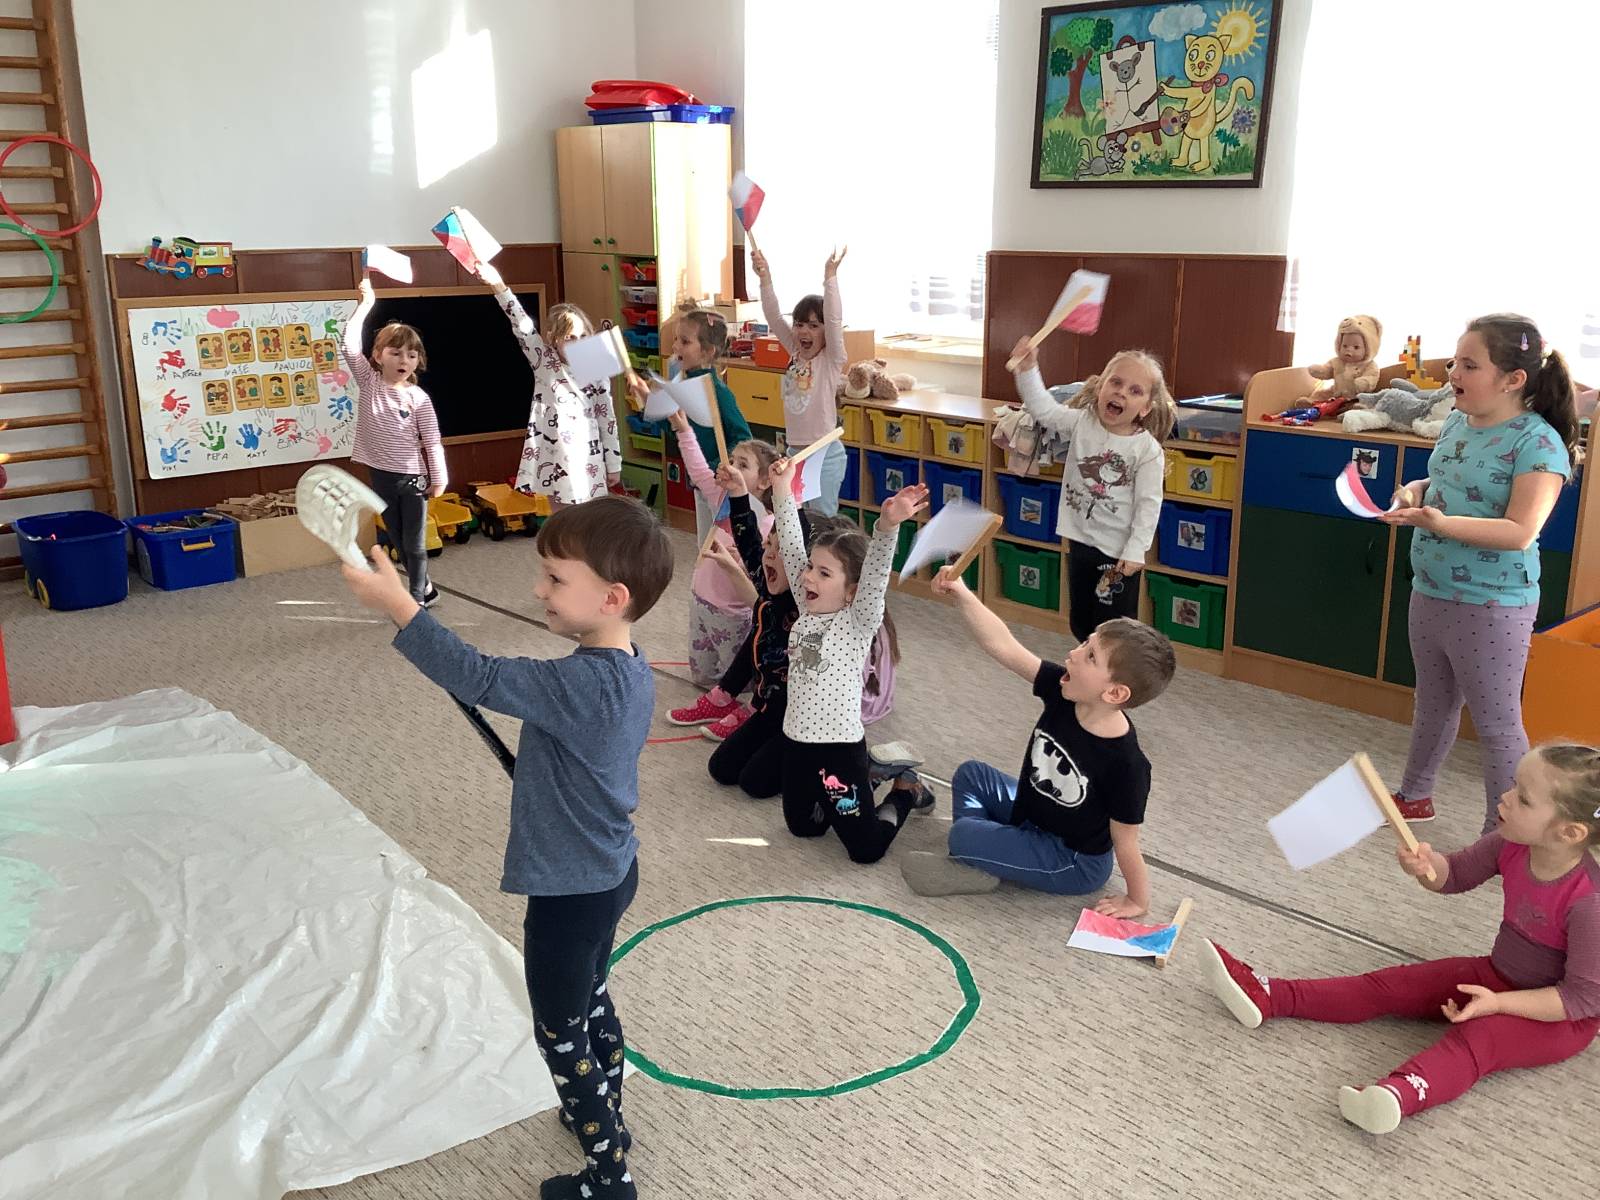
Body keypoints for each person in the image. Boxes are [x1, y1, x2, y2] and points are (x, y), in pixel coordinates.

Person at [339, 496, 673, 1200]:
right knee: (591, 996)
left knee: (560, 1033)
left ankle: (609, 1176)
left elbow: (481, 676)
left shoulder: (576, 682)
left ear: (612, 597)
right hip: (612, 871)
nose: (538, 589)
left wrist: (400, 606)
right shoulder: (628, 664)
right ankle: (604, 1115)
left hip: (568, 893)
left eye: (555, 579)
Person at [1202, 743, 1600, 1134]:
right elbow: (1454, 874)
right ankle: (1271, 995)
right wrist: (1426, 866)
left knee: (1480, 1038)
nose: (1505, 797)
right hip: (1497, 974)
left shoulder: (1590, 903)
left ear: (1569, 832)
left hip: (1560, 1019)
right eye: (1513, 784)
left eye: (1523, 798)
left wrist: (1498, 1004)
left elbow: (1578, 1000)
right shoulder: (1509, 843)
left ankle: (1400, 1094)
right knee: (1393, 985)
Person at [1381, 314, 1579, 829]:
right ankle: (1415, 795)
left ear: (1514, 379)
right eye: (1455, 361)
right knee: (1433, 704)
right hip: (1431, 589)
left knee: (1496, 723)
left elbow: (1520, 531)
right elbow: (1446, 479)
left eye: (1469, 365)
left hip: (1492, 604)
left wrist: (1439, 523)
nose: (1453, 373)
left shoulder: (1538, 445)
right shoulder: (1456, 421)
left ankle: (1505, 833)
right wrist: (1415, 491)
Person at [900, 567, 1175, 904]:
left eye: (1090, 656)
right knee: (971, 775)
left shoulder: (1127, 765)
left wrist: (1137, 900)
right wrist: (963, 594)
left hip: (1071, 860)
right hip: (1032, 815)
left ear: (1115, 693)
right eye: (1085, 643)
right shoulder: (1064, 690)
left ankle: (975, 854)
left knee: (962, 835)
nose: (1073, 653)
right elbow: (1003, 646)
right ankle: (984, 856)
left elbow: (1127, 840)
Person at [765, 455, 926, 862]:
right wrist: (782, 488)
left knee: (866, 850)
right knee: (805, 827)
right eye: (810, 568)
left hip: (838, 748)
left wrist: (887, 527)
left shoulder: (858, 621)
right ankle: (871, 775)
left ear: (852, 590)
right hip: (796, 743)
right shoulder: (807, 606)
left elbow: (876, 573)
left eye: (824, 573)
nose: (807, 577)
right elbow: (791, 542)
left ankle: (905, 789)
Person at [1010, 338, 1176, 642]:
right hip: (1081, 542)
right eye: (1116, 382)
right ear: (1100, 388)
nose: (1121, 392)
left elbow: (1148, 505)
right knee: (1081, 623)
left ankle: (1111, 671)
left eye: (1134, 391)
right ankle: (1089, 666)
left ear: (1145, 408)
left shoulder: (1147, 450)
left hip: (1118, 553)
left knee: (1113, 631)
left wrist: (1136, 548)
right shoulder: (1082, 423)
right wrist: (1028, 369)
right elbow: (1044, 410)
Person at [477, 262, 639, 506]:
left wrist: (613, 463)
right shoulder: (544, 359)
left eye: (583, 336)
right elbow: (520, 323)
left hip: (587, 456)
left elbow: (607, 418)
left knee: (588, 515)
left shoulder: (595, 366)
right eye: (569, 338)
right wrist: (497, 284)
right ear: (554, 339)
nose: (577, 342)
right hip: (554, 454)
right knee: (560, 516)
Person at [340, 272, 446, 607]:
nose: (404, 360)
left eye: (411, 355)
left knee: (414, 543)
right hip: (381, 475)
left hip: (413, 479)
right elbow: (347, 345)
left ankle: (415, 601)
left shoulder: (419, 399)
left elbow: (432, 441)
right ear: (378, 355)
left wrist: (439, 477)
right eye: (396, 353)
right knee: (398, 539)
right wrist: (366, 304)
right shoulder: (369, 382)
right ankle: (425, 587)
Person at [662, 404, 778, 687]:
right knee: (702, 676)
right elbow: (698, 469)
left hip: (732, 613)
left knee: (736, 682)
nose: (730, 467)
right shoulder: (722, 497)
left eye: (742, 465)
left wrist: (743, 559)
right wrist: (683, 430)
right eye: (731, 460)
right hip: (701, 600)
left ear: (765, 481)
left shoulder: (769, 524)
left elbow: (765, 576)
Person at [754, 246, 850, 515]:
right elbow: (774, 316)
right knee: (796, 519)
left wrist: (830, 276)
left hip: (824, 453)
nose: (803, 331)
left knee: (821, 520)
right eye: (799, 324)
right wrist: (765, 277)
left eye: (813, 325)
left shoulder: (831, 360)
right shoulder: (795, 354)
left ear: (825, 333)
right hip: (795, 452)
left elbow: (834, 319)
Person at [665, 306, 753, 543]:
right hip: (700, 482)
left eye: (685, 341)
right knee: (705, 543)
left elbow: (744, 438)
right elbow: (676, 432)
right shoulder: (684, 387)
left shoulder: (719, 393)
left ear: (707, 352)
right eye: (676, 340)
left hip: (720, 484)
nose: (676, 347)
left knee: (721, 543)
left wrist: (716, 467)